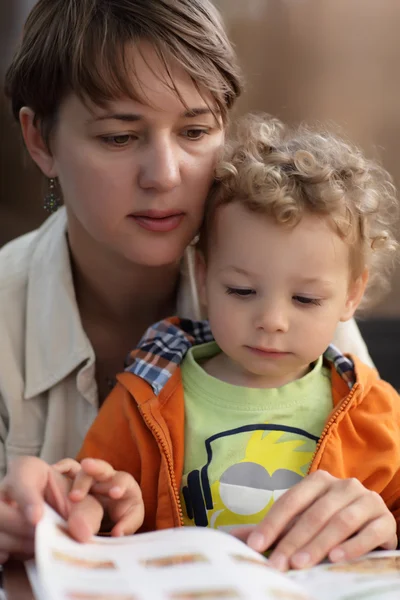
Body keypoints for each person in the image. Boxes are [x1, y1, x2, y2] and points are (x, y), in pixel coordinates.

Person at [0, 0, 373, 564]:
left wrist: (371, 512)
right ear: (41, 140)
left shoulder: (288, 283)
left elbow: (375, 464)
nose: (166, 175)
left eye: (195, 130)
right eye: (120, 137)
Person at [72, 114, 400, 571]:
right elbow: (95, 500)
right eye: (242, 291)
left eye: (305, 298)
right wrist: (104, 503)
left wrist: (383, 525)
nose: (271, 321)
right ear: (203, 277)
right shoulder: (146, 397)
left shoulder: (374, 410)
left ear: (351, 294)